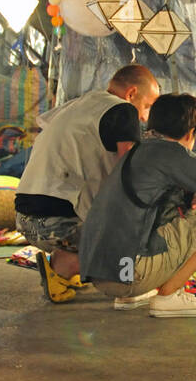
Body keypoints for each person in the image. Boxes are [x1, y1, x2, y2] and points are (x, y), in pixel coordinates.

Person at [79, 93, 196, 318]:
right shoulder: (172, 153)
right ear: (190, 133)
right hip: (131, 274)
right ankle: (170, 295)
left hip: (99, 274)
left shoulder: (136, 151)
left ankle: (130, 297)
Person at [15, 64, 160, 304]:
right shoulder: (123, 110)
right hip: (60, 221)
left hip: (26, 219)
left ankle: (65, 266)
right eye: (147, 106)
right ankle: (74, 265)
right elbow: (131, 172)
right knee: (147, 238)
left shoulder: (77, 104)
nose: (144, 117)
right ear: (132, 93)